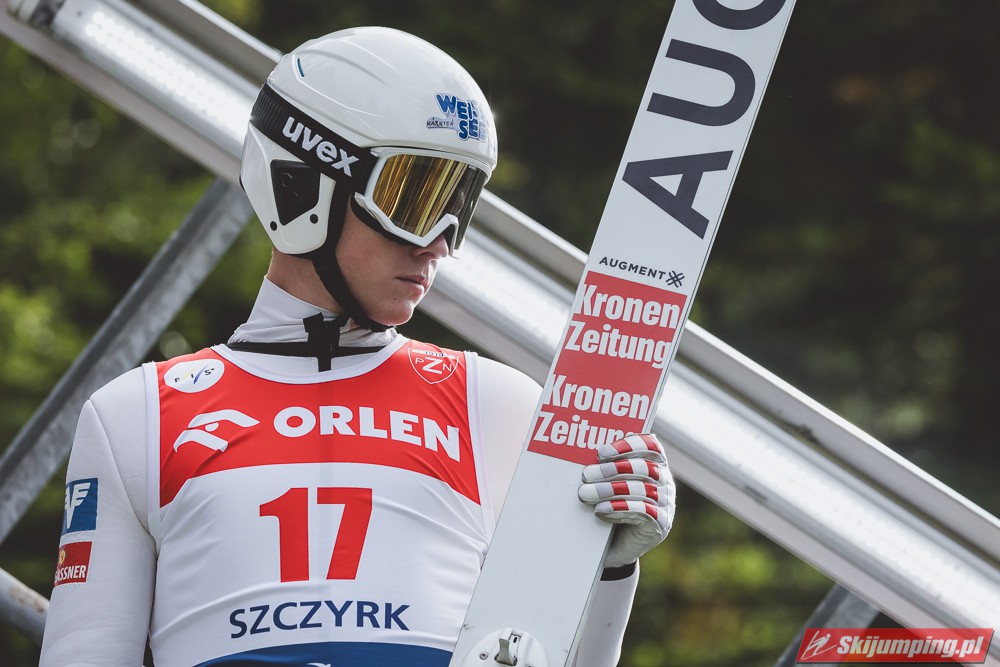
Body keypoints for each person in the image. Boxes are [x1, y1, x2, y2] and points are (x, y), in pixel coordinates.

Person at [39, 26, 675, 666]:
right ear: (301, 183)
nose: (440, 241)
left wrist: (610, 570)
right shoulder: (135, 417)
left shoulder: (499, 404)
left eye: (458, 203)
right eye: (414, 198)